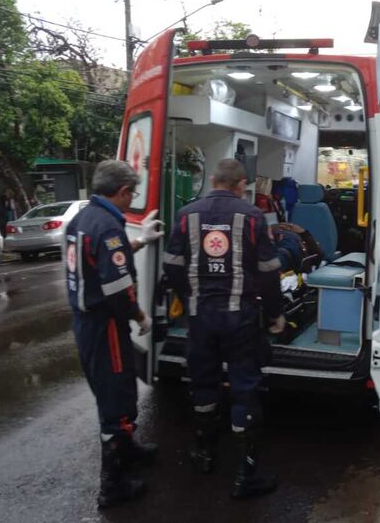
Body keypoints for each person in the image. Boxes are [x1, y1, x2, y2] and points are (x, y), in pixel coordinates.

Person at [163, 158, 285, 500]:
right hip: (240, 317)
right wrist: (275, 314)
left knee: (202, 383)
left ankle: (204, 455)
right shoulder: (252, 216)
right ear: (240, 184)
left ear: (214, 180)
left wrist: (188, 296)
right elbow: (268, 271)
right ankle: (246, 475)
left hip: (200, 317)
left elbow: (171, 264)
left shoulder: (187, 214)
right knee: (245, 387)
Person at [65, 160, 165, 508]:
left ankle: (128, 449)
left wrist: (139, 242)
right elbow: (118, 287)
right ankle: (112, 485)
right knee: (118, 399)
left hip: (86, 323)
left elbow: (102, 260)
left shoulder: (81, 219)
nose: (132, 199)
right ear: (122, 192)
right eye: (132, 194)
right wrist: (140, 317)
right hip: (105, 325)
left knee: (108, 391)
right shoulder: (107, 226)